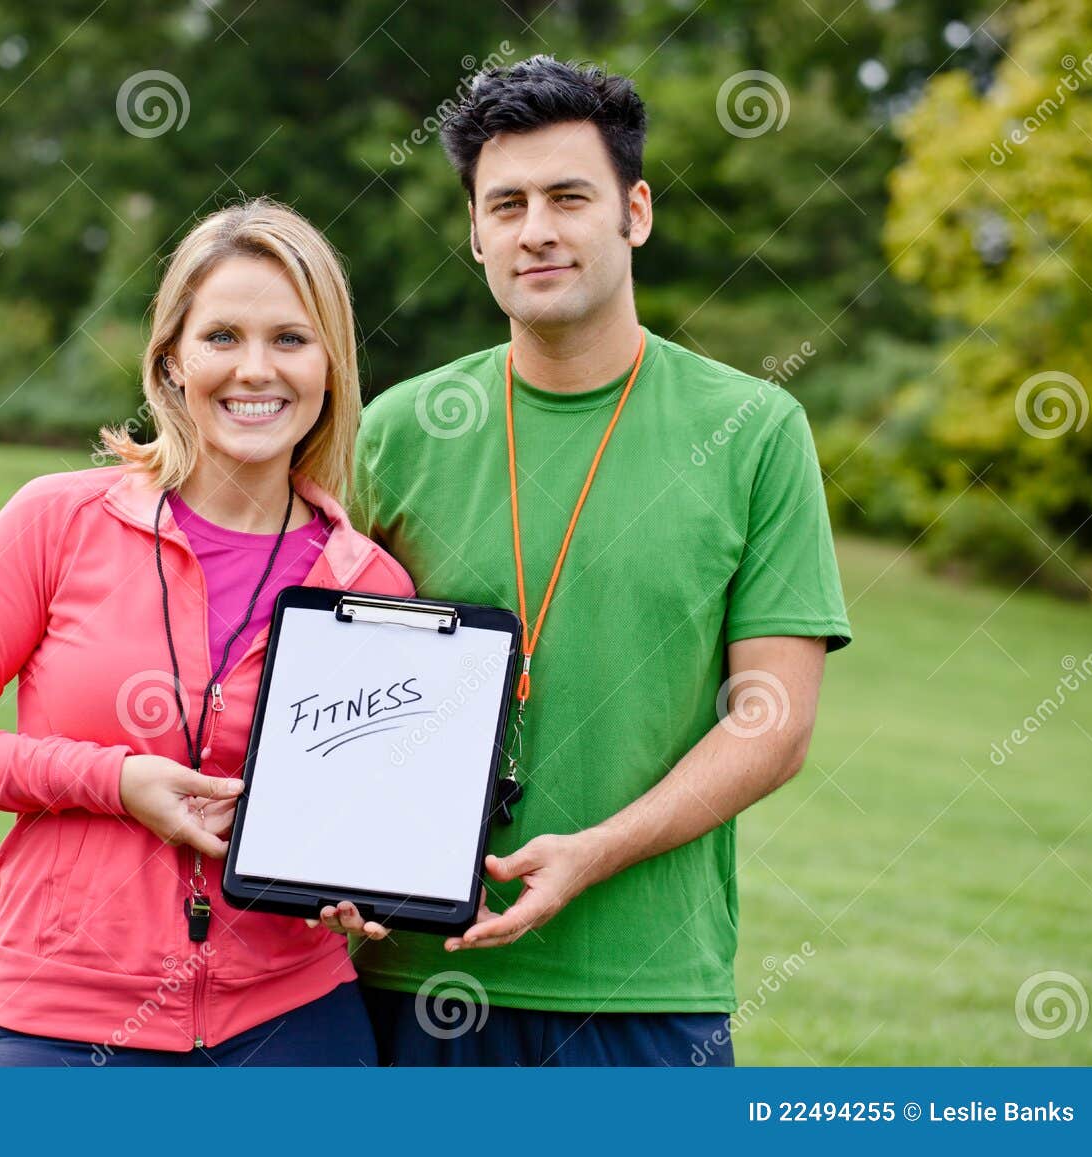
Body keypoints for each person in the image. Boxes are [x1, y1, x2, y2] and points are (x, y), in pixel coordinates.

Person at [320, 56, 852, 1066]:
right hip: (409, 974)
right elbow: (310, 679)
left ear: (634, 212)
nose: (536, 230)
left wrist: (594, 853)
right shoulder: (396, 431)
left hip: (642, 987)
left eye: (569, 197)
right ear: (474, 231)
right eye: (505, 204)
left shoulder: (753, 430)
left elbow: (772, 725)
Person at [0, 197, 414, 1066]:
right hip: (62, 1017)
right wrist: (114, 779)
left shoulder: (369, 585)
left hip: (294, 1023)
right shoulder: (57, 520)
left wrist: (362, 883)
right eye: (222, 337)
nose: (255, 370)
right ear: (171, 361)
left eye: (290, 339)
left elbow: (367, 817)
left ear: (332, 366)